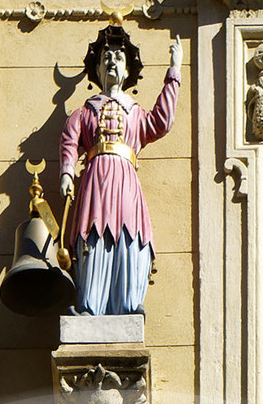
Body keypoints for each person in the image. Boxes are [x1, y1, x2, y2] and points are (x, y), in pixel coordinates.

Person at [58, 23, 180, 317]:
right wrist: (66, 172)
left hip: (125, 182)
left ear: (127, 72)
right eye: (106, 58)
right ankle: (90, 305)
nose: (112, 62)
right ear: (98, 69)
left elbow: (161, 122)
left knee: (129, 235)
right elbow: (69, 140)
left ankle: (127, 304)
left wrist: (174, 73)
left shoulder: (135, 113)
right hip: (94, 183)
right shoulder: (84, 112)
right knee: (94, 235)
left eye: (118, 58)